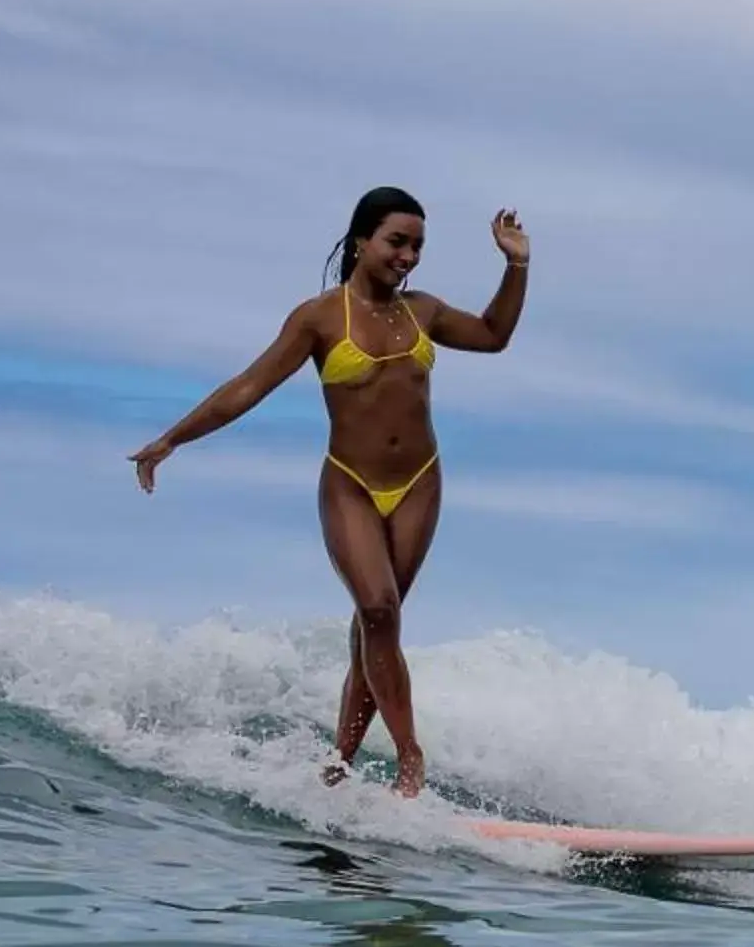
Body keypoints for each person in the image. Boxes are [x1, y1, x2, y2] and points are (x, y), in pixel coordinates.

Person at [130, 187, 531, 797]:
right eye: (397, 242)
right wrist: (171, 440)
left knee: (377, 627)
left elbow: (493, 335)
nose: (409, 257)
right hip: (350, 484)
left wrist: (516, 265)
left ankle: (338, 765)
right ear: (361, 241)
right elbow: (247, 387)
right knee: (377, 609)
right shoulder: (319, 318)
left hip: (420, 482)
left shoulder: (422, 311)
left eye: (418, 246)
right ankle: (409, 762)